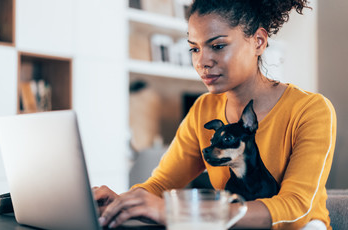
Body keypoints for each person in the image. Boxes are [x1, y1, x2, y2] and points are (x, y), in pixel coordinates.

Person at [94, 0, 337, 229]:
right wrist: (120, 203)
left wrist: (185, 212)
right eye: (194, 48)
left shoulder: (311, 110)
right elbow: (161, 185)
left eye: (218, 46)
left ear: (259, 41)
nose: (202, 61)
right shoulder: (203, 109)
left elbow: (297, 209)